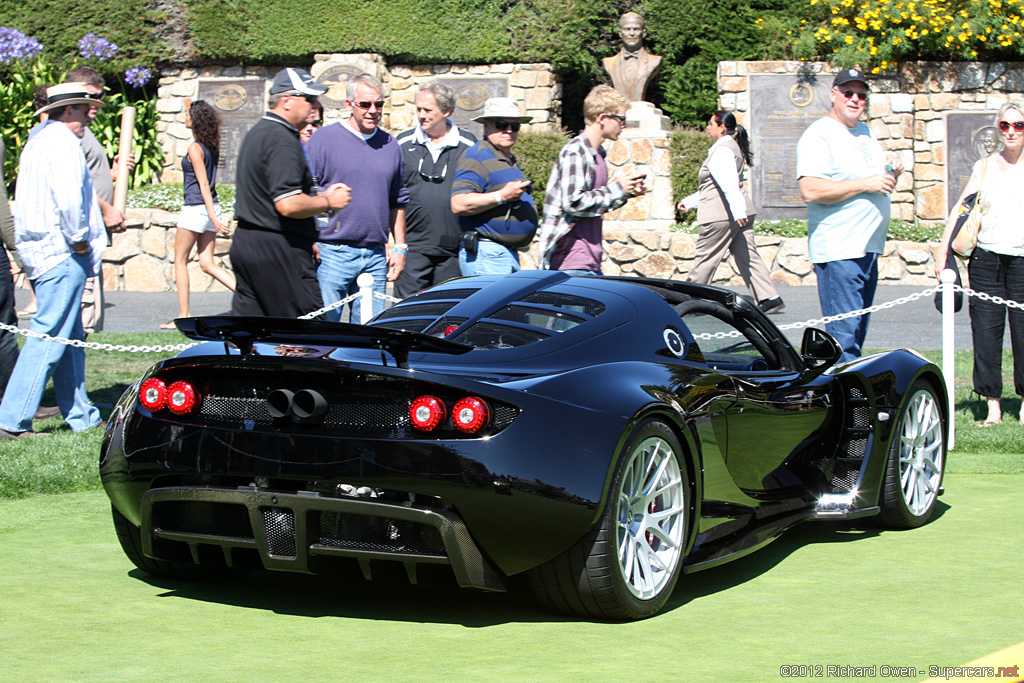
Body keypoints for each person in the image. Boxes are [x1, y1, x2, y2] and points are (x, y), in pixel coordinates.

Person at [0, 84, 108, 439]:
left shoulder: (39, 140)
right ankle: (12, 419)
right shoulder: (63, 142)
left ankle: (82, 415)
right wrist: (79, 242)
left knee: (69, 337)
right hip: (61, 252)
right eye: (82, 108)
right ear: (68, 111)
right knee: (49, 335)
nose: (88, 114)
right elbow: (70, 202)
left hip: (42, 251)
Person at [796, 68, 904, 362]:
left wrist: (891, 166)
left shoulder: (865, 133)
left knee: (855, 336)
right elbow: (811, 190)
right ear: (834, 95)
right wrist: (866, 183)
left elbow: (873, 178)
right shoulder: (818, 135)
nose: (855, 99)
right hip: (840, 250)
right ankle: (849, 406)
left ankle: (851, 404)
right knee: (844, 342)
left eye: (862, 95)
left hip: (867, 249)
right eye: (848, 93)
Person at [231, 67, 351, 318]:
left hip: (248, 243)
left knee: (250, 332)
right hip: (278, 248)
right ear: (287, 101)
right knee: (306, 333)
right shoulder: (281, 138)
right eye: (308, 98)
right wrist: (329, 200)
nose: (313, 105)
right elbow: (288, 204)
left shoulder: (259, 132)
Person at [937, 101, 1024, 427]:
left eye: (1018, 125)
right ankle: (993, 407)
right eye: (1005, 125)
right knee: (986, 334)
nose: (1012, 131)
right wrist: (943, 250)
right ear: (998, 129)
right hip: (986, 260)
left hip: (1022, 260)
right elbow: (962, 209)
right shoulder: (985, 166)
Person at [306, 73, 408, 322]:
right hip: (331, 252)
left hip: (375, 254)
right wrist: (309, 239)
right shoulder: (323, 140)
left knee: (368, 339)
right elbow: (307, 191)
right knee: (323, 334)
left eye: (379, 104)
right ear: (349, 105)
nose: (373, 110)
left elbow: (398, 200)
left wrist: (401, 248)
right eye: (365, 104)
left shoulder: (390, 144)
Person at [678, 110, 784, 313]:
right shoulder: (728, 147)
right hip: (734, 213)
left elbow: (728, 184)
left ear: (722, 128)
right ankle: (769, 296)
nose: (708, 127)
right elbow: (715, 186)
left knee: (706, 257)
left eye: (711, 123)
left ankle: (691, 299)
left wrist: (738, 211)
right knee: (747, 255)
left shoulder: (723, 150)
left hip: (721, 216)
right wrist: (690, 202)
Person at [537, 85, 645, 274]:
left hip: (588, 261)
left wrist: (624, 192)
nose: (624, 125)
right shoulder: (576, 151)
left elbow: (593, 205)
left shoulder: (597, 154)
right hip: (570, 261)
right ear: (602, 118)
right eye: (620, 119)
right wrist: (616, 189)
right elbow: (575, 203)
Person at [64, 66, 131, 336]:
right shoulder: (69, 133)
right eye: (90, 97)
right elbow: (74, 183)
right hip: (79, 237)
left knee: (83, 323)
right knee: (79, 317)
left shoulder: (84, 132)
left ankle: (74, 378)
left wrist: (114, 172)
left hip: (92, 234)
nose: (96, 105)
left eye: (99, 97)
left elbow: (89, 176)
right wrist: (107, 211)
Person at [395, 83, 477, 297]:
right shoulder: (402, 144)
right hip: (412, 247)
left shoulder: (469, 145)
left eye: (428, 110)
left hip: (453, 249)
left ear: (446, 111)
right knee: (405, 314)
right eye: (418, 109)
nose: (421, 115)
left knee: (447, 314)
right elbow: (391, 193)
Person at [160, 100, 235, 328]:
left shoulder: (195, 148)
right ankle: (251, 296)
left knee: (180, 261)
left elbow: (203, 183)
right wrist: (213, 214)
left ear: (195, 120)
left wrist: (212, 217)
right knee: (207, 263)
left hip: (197, 209)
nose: (184, 118)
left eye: (187, 115)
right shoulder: (210, 145)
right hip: (211, 207)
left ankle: (183, 315)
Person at [451, 98, 539, 276]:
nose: (508, 130)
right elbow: (459, 203)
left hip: (502, 254)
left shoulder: (506, 158)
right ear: (486, 125)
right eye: (501, 124)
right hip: (487, 255)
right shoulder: (476, 157)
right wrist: (502, 196)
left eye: (514, 126)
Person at [602, 12, 663, 103]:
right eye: (627, 29)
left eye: (636, 29)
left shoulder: (654, 61)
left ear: (643, 33)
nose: (631, 33)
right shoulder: (609, 62)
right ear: (620, 33)